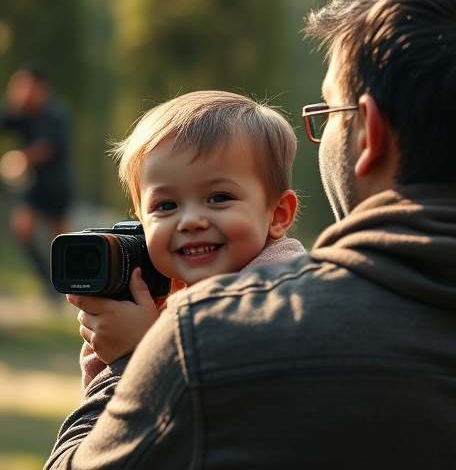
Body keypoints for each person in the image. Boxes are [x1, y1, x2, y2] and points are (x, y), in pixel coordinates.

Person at [46, 0, 456, 468]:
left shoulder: (208, 342)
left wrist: (126, 372)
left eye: (328, 111)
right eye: (164, 205)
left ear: (369, 134)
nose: (192, 219)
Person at [62, 90, 305, 393]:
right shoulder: (158, 290)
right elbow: (103, 418)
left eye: (219, 198)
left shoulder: (283, 293)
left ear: (278, 214)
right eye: (166, 206)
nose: (190, 221)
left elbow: (232, 398)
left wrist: (144, 350)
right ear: (140, 220)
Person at [0, 62, 74, 300]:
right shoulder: (22, 112)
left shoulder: (56, 113)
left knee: (61, 241)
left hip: (57, 185)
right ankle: (49, 285)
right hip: (35, 187)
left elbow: (48, 147)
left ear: (41, 87)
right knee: (23, 228)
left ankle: (71, 284)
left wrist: (21, 158)